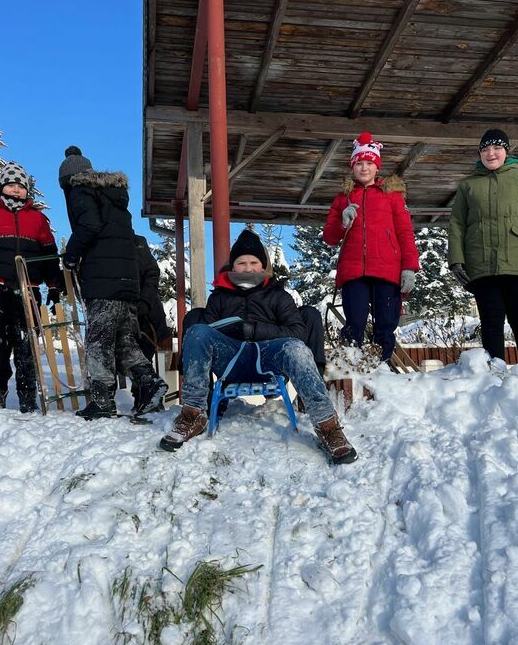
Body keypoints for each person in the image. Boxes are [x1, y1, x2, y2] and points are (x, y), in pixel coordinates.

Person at [160, 230, 357, 465]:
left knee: (295, 347)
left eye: (254, 262)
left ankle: (328, 426)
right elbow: (208, 333)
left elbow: (297, 331)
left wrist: (254, 331)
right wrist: (230, 332)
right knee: (198, 329)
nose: (248, 268)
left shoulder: (277, 295)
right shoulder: (220, 297)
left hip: (268, 360)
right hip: (231, 361)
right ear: (232, 267)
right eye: (241, 263)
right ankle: (193, 414)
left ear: (263, 267)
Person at [58, 146, 168, 419]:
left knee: (98, 341)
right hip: (127, 281)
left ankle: (103, 400)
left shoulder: (80, 190)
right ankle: (149, 382)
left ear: (69, 179)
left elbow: (89, 226)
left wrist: (71, 257)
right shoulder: (115, 198)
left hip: (102, 280)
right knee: (123, 341)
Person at [447, 129, 518, 363]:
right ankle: (494, 372)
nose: (490, 154)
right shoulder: (468, 186)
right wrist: (456, 260)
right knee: (491, 322)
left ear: (506, 151)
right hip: (482, 266)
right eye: (485, 150)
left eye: (496, 148)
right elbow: (457, 224)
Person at [0, 162, 61, 412]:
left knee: (26, 344)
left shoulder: (37, 218)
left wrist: (54, 284)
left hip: (27, 289)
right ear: (2, 187)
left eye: (21, 186)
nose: (16, 190)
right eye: (11, 185)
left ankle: (27, 396)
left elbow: (49, 254)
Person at [323, 132, 419, 361]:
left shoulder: (393, 196)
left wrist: (409, 267)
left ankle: (382, 366)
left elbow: (405, 233)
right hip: (353, 271)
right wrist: (342, 222)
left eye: (369, 163)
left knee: (385, 323)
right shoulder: (343, 197)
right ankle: (352, 368)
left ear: (377, 167)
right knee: (354, 321)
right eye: (359, 163)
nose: (364, 168)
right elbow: (329, 236)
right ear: (352, 166)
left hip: (387, 270)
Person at [132, 234, 171, 411]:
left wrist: (144, 303)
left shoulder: (138, 242)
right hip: (141, 312)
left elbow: (151, 273)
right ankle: (143, 399)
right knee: (136, 358)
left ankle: (148, 400)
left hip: (147, 315)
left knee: (142, 356)